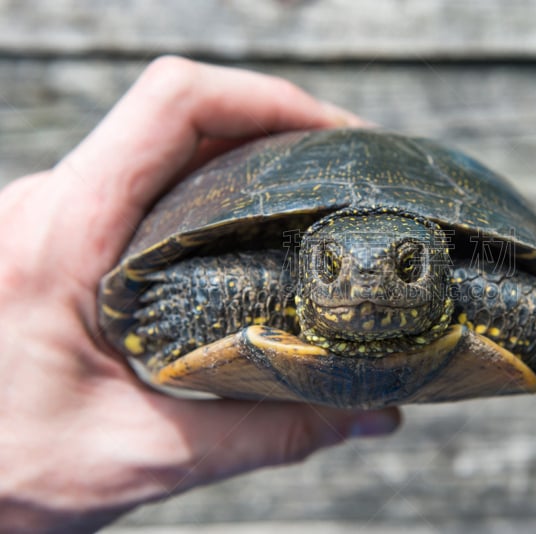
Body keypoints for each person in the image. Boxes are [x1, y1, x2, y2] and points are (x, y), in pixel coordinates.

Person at [0, 57, 401, 532]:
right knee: (245, 282)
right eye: (331, 266)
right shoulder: (268, 281)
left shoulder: (459, 280)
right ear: (312, 262)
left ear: (435, 262)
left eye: (409, 266)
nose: (369, 281)